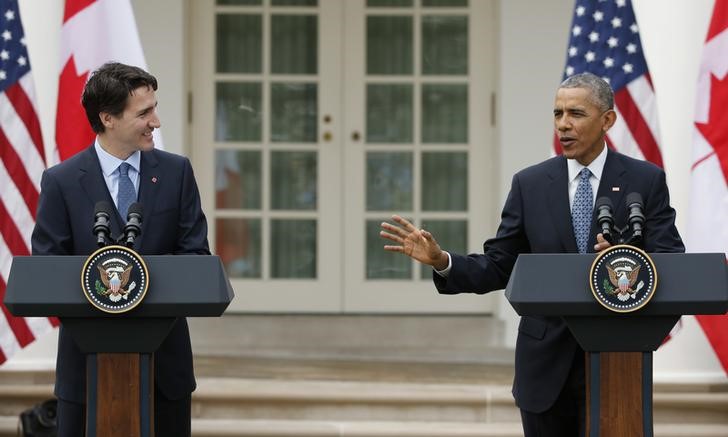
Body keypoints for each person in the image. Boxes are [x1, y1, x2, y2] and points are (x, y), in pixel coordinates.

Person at [380, 72, 684, 437]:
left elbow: (670, 260)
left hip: (615, 361)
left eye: (576, 113)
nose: (564, 125)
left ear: (608, 120)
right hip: (545, 367)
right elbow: (500, 264)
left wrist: (630, 259)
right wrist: (443, 261)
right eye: (557, 114)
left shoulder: (644, 180)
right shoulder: (531, 184)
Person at [31, 62, 209, 437]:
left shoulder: (176, 173)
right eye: (144, 112)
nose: (156, 121)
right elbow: (47, 268)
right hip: (85, 374)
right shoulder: (61, 182)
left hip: (165, 373)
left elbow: (195, 256)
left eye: (154, 108)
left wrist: (141, 288)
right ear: (108, 118)